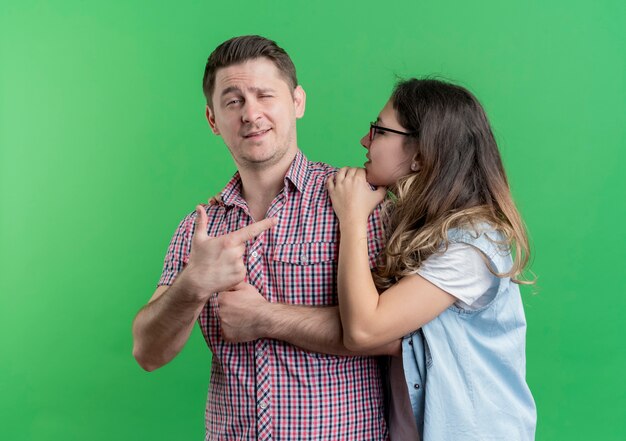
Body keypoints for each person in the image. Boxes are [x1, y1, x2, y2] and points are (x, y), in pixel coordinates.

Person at [131, 35, 395, 440]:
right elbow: (148, 353)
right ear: (212, 120)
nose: (251, 114)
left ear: (297, 102)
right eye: (233, 101)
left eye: (264, 95)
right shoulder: (198, 229)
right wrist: (193, 284)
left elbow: (400, 337)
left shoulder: (359, 203)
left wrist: (265, 317)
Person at [325, 78, 537, 440]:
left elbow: (363, 330)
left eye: (379, 130)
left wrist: (353, 218)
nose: (364, 140)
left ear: (421, 153)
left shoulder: (472, 245)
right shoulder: (418, 228)